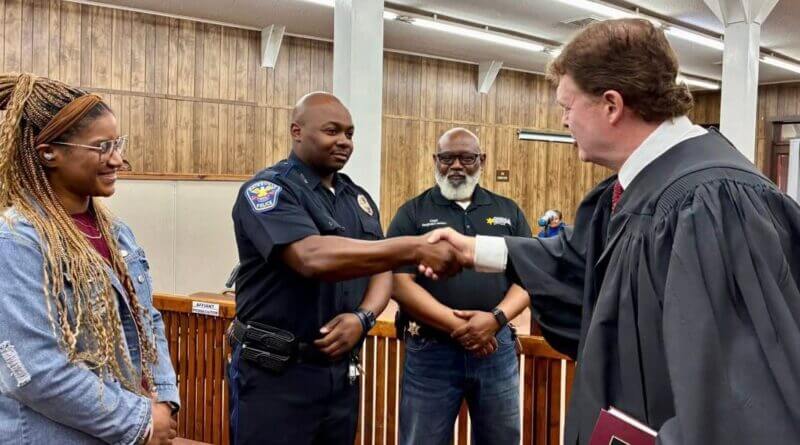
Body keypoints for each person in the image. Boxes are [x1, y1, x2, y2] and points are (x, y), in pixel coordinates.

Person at [423, 19, 800, 445]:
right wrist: (473, 250)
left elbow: (740, 399)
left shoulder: (712, 203)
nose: (564, 121)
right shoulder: (633, 191)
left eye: (567, 107)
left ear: (611, 105)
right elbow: (578, 266)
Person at [229, 92, 464, 445]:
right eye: (332, 131)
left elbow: (382, 267)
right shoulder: (268, 190)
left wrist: (363, 317)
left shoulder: (359, 199)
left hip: (339, 375)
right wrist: (413, 247)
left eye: (349, 134)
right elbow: (310, 257)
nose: (344, 141)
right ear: (297, 131)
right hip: (275, 375)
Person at [0, 73, 179, 444]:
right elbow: (34, 371)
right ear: (48, 153)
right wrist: (140, 422)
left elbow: (148, 320)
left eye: (117, 143)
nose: (117, 159)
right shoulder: (16, 241)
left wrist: (163, 402)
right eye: (102, 147)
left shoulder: (117, 233)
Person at [387, 127, 531, 445]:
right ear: (435, 160)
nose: (455, 165)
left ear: (482, 160)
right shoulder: (413, 213)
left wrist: (494, 319)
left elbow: (527, 278)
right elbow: (397, 282)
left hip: (495, 350)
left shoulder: (508, 211)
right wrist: (458, 326)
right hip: (431, 352)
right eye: (447, 158)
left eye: (466, 158)